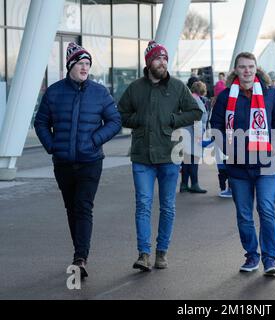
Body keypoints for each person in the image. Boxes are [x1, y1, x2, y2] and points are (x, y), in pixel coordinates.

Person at [34, 43, 122, 279]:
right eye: (81, 64)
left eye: (87, 64)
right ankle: (79, 252)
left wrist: (95, 140)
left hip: (90, 161)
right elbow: (40, 123)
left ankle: (80, 257)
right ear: (70, 66)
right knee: (71, 208)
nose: (85, 68)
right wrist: (52, 146)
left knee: (83, 206)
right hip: (63, 163)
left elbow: (115, 121)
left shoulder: (100, 92)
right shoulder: (53, 92)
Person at [118, 41, 202, 272]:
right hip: (142, 156)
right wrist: (139, 121)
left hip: (170, 155)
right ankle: (143, 254)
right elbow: (120, 114)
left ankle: (161, 252)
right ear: (148, 62)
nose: (162, 62)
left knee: (167, 207)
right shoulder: (135, 88)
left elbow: (196, 112)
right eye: (157, 58)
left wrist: (174, 120)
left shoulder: (177, 87)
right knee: (143, 205)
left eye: (165, 58)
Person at [210, 52, 275, 276]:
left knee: (266, 209)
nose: (246, 70)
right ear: (236, 70)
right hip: (238, 166)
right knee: (244, 215)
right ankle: (251, 255)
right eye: (242, 67)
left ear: (256, 69)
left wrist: (274, 146)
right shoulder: (226, 97)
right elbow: (215, 124)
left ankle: (270, 258)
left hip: (266, 163)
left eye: (250, 66)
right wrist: (227, 147)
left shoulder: (270, 94)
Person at [180, 81, 209, 194]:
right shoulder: (197, 101)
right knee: (193, 160)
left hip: (185, 133)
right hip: (193, 134)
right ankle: (195, 184)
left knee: (186, 161)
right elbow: (197, 119)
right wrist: (199, 138)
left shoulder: (187, 99)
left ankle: (184, 185)